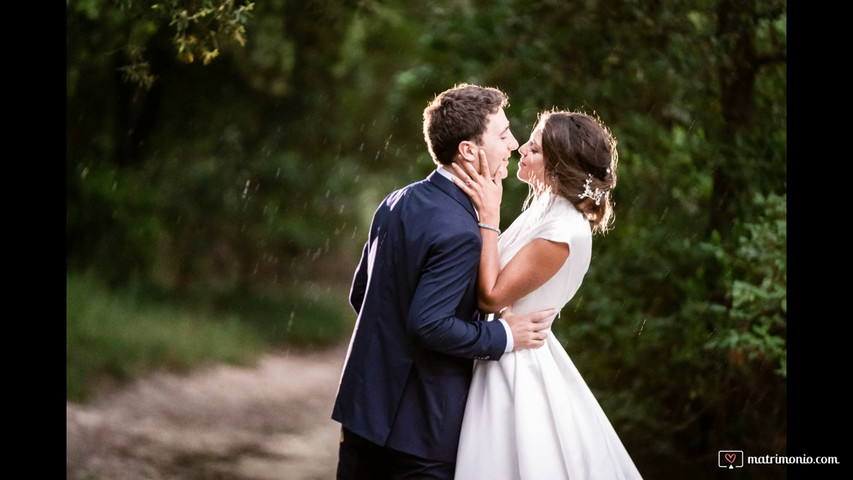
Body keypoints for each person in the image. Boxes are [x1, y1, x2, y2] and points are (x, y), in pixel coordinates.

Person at [331, 83, 556, 480]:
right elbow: (429, 323)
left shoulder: (397, 200)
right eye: (503, 134)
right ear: (468, 150)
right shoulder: (462, 230)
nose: (513, 143)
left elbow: (362, 295)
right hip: (420, 434)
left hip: (363, 412)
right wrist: (505, 336)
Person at [450, 109, 643, 479]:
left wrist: (488, 213)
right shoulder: (543, 211)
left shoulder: (563, 230)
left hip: (517, 366)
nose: (521, 149)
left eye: (534, 149)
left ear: (559, 166)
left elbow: (491, 295)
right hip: (501, 347)